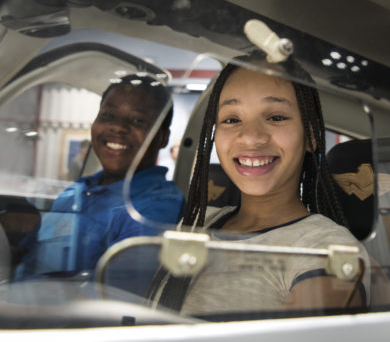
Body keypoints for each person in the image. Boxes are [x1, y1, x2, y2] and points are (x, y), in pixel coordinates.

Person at [149, 51, 371, 316]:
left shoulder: (326, 250)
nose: (251, 138)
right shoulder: (201, 222)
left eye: (276, 117)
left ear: (311, 135)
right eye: (232, 119)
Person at [15, 74, 184, 279]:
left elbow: (112, 296)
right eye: (108, 116)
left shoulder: (154, 207)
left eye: (138, 120)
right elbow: (30, 252)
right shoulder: (78, 190)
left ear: (163, 138)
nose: (118, 127)